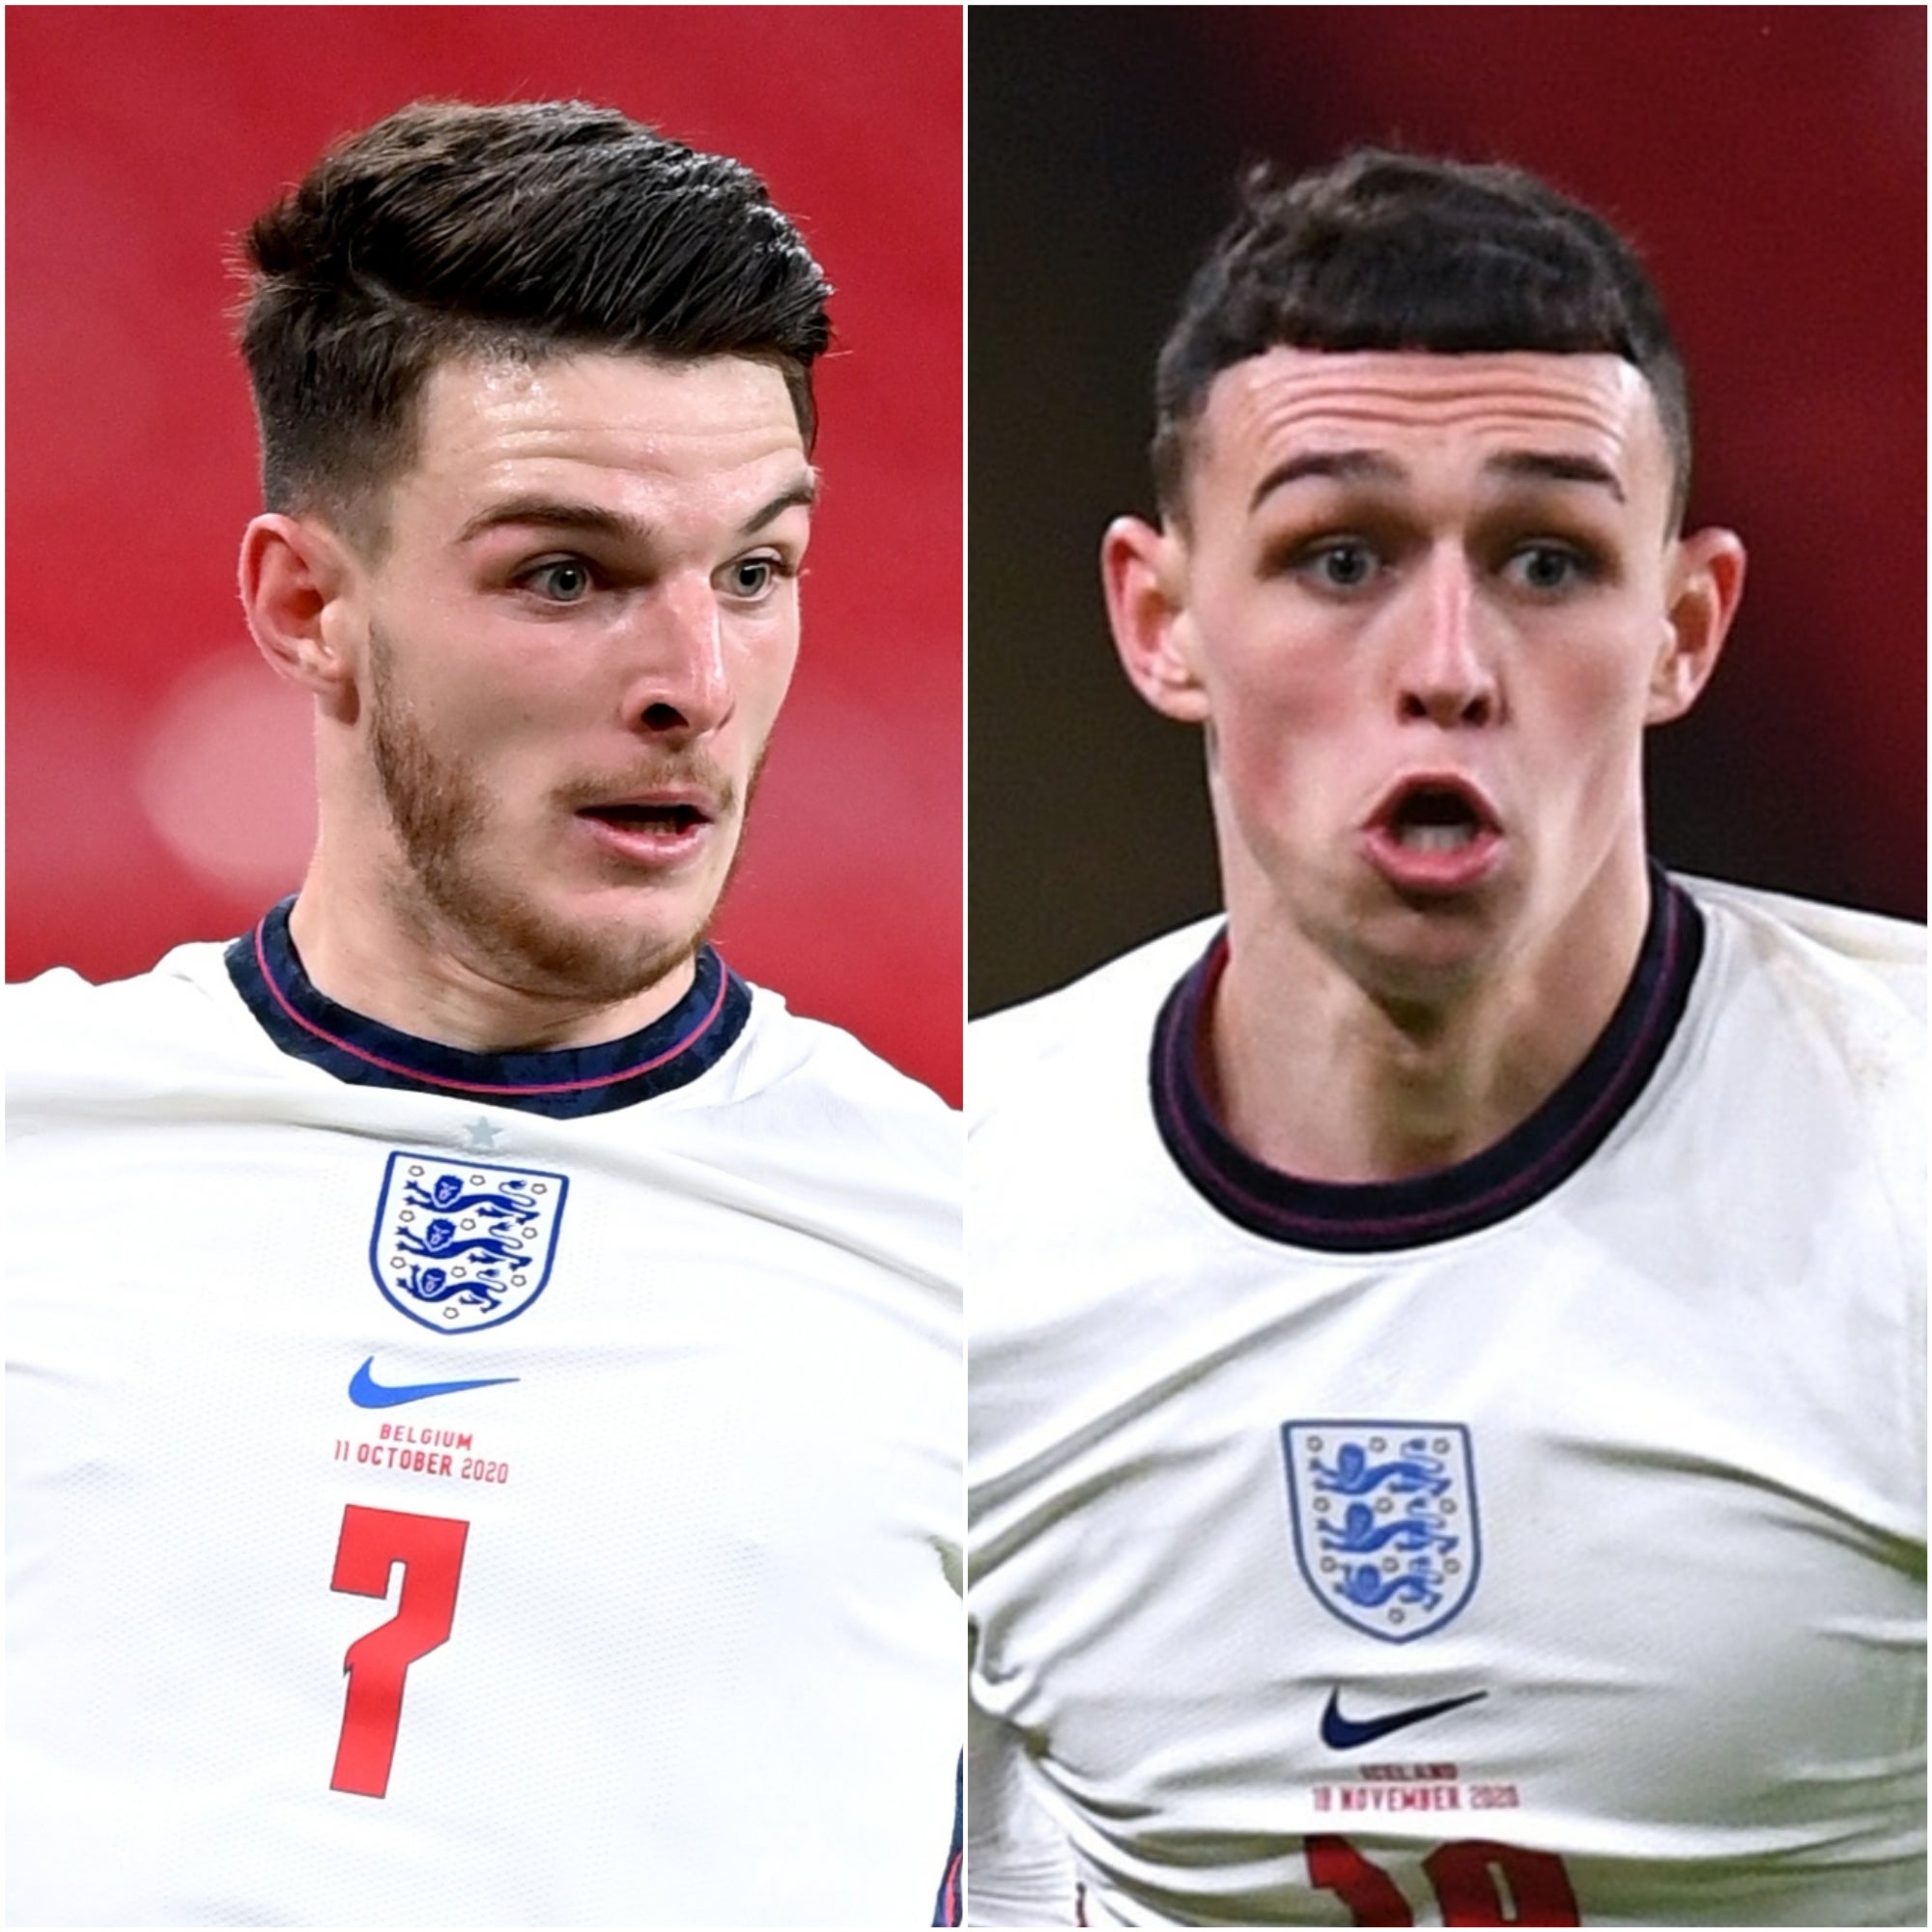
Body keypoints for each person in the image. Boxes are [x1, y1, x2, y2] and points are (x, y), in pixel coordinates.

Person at [9, 99, 961, 1928]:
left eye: (756, 572)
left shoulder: (980, 1267)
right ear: (308, 606)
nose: (694, 683)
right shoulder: (33, 1144)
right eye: (566, 577)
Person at [966, 150, 1924, 1927]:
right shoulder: (935, 1229)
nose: (1450, 662)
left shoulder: (1904, 1158)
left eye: (1550, 560)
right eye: (1340, 556)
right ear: (1162, 618)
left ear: (1683, 627)